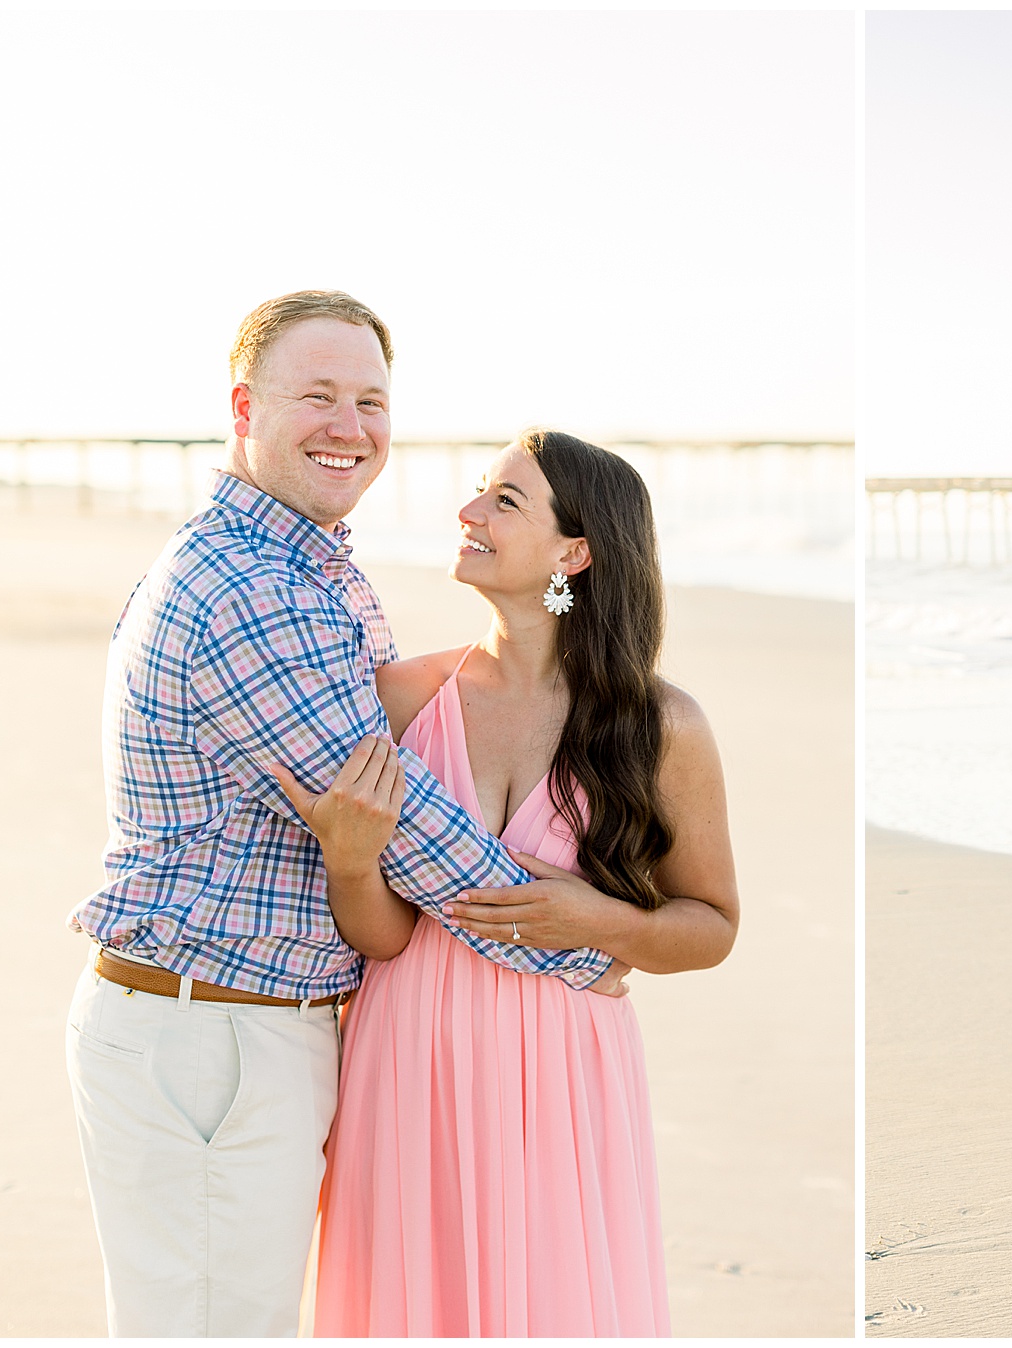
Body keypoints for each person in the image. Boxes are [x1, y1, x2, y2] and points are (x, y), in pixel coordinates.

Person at [64, 292, 619, 1337]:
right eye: (316, 394)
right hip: (209, 1038)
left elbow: (380, 743)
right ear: (244, 406)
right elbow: (397, 821)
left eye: (370, 399)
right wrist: (584, 945)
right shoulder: (249, 587)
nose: (350, 426)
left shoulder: (312, 568)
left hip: (244, 1029)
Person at [283, 430, 739, 1336]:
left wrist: (602, 920)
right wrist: (347, 859)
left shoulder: (660, 726)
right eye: (477, 492)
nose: (468, 513)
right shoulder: (404, 697)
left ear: (575, 552)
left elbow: (713, 925)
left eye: (504, 501)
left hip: (565, 1076)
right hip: (406, 1058)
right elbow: (383, 937)